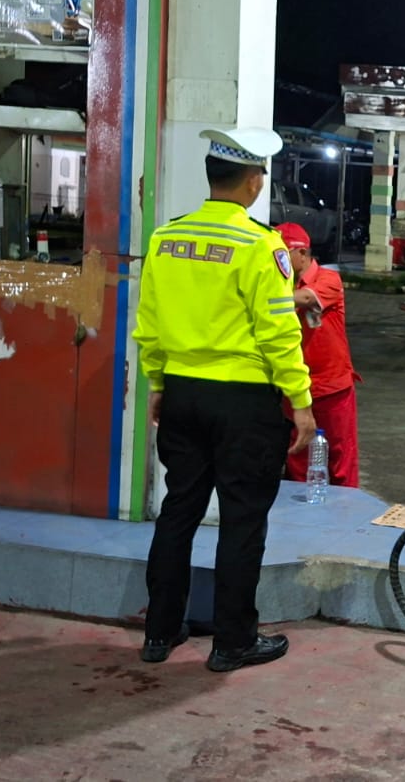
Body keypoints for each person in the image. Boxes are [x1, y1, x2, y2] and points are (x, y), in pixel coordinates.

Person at [132, 126, 315, 673]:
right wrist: (300, 401)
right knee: (242, 518)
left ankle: (160, 631)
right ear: (254, 182)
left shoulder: (166, 238)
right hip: (243, 402)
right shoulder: (261, 245)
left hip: (182, 394)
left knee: (179, 510)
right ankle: (233, 641)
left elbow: (149, 323)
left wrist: (159, 383)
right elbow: (278, 332)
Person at [273, 222, 363, 488]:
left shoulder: (328, 280)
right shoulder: (281, 284)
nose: (276, 261)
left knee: (341, 460)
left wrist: (262, 297)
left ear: (302, 253)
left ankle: (345, 510)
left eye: (282, 254)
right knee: (298, 460)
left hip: (332, 389)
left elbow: (306, 299)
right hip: (296, 387)